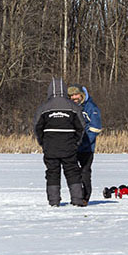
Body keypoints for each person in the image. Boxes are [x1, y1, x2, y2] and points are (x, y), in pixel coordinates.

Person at [34, 77, 86, 207]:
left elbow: (37, 128)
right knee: (73, 172)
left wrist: (43, 143)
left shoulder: (44, 108)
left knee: (52, 173)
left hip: (50, 148)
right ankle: (77, 199)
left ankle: (54, 201)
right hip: (69, 147)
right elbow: (81, 127)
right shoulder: (73, 107)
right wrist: (76, 143)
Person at [68, 84, 102, 202]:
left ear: (82, 95)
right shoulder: (70, 107)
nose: (74, 97)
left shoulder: (91, 108)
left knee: (85, 172)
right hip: (73, 147)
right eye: (71, 95)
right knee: (73, 173)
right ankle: (76, 195)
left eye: (76, 94)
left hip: (86, 148)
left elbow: (96, 128)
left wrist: (84, 142)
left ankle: (85, 197)